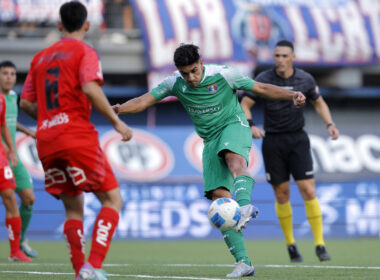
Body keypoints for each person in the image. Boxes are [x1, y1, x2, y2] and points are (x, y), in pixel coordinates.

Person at [112, 43, 305, 277]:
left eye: (194, 70)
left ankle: (244, 205)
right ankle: (244, 262)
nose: (191, 78)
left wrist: (292, 94)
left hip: (234, 125)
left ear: (201, 64)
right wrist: (119, 110)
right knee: (219, 200)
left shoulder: (223, 74)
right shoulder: (174, 83)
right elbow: (144, 101)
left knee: (234, 159)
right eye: (185, 73)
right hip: (210, 140)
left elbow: (261, 88)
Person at [19, 2, 133, 280]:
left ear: (59, 26)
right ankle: (92, 265)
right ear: (87, 26)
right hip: (76, 136)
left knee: (73, 207)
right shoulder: (85, 51)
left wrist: (48, 115)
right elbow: (90, 86)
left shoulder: (39, 58)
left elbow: (25, 102)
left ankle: (80, 271)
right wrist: (116, 121)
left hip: (46, 140)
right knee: (112, 199)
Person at [240, 40, 340, 263]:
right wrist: (251, 125)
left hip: (297, 139)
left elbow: (319, 102)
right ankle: (291, 244)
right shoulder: (264, 80)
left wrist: (330, 124)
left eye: (285, 56)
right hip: (273, 141)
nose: (280, 60)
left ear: (293, 58)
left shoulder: (305, 79)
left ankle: (320, 244)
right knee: (282, 194)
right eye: (277, 56)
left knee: (308, 190)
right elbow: (244, 103)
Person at [0, 60, 39, 258]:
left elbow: (8, 122)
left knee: (29, 198)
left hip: (13, 157)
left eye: (12, 74)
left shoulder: (13, 97)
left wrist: (28, 131)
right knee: (10, 201)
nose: (9, 77)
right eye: (5, 73)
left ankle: (21, 240)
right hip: (2, 157)